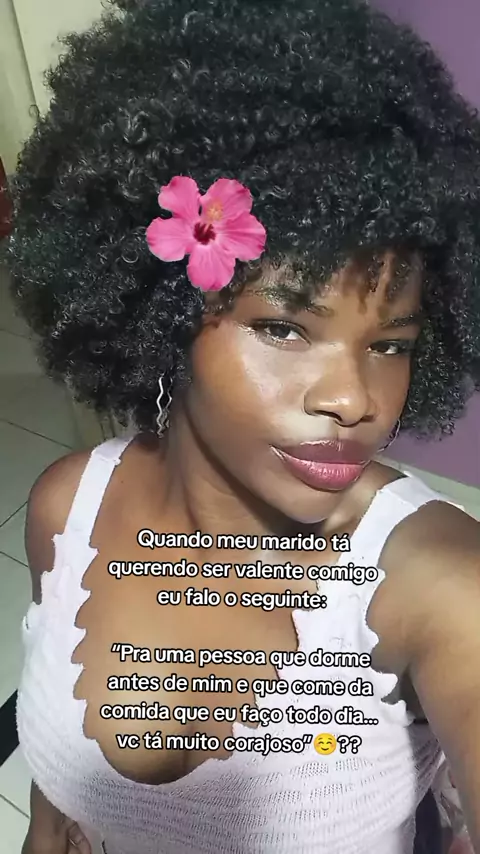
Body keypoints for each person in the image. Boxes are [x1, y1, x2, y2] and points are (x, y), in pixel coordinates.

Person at [7, 0, 480, 851]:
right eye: (284, 329)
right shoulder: (66, 508)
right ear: (162, 319)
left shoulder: (438, 584)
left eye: (390, 344)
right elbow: (56, 781)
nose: (355, 400)